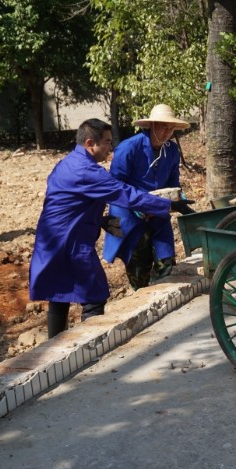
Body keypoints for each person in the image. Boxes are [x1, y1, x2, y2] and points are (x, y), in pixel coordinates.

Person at [29, 118, 185, 339]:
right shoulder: (89, 171)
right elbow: (123, 192)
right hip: (71, 241)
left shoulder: (67, 163)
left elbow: (71, 202)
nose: (111, 148)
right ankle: (89, 347)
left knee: (59, 293)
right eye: (107, 142)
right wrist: (168, 205)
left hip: (52, 238)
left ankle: (54, 345)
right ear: (91, 143)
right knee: (95, 294)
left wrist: (99, 220)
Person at [102, 104, 193, 290]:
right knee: (139, 269)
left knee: (166, 261)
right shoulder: (129, 148)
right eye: (163, 127)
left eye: (171, 128)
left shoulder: (172, 151)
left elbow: (173, 183)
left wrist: (179, 199)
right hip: (130, 214)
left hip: (159, 213)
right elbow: (116, 186)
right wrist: (139, 207)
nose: (168, 132)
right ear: (151, 126)